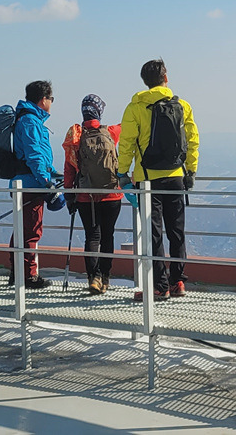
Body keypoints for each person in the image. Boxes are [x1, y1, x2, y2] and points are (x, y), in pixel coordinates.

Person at [116, 59, 199, 300]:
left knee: (154, 234)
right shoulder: (182, 105)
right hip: (176, 176)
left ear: (144, 81)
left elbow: (127, 143)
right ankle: (178, 282)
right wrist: (190, 171)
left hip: (148, 179)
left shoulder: (135, 107)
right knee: (177, 232)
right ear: (166, 77)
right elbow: (192, 140)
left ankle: (159, 287)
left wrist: (122, 173)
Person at [62, 94, 123, 294]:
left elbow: (69, 168)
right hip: (111, 195)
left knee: (92, 236)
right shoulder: (111, 132)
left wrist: (69, 194)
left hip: (85, 196)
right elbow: (127, 126)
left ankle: (93, 279)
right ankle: (105, 277)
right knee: (108, 236)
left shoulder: (76, 136)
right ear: (99, 112)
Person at [11, 80, 64, 289]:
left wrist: (52, 172)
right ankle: (28, 276)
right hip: (31, 185)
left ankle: (17, 273)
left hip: (24, 182)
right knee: (31, 231)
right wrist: (45, 181)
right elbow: (34, 155)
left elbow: (38, 156)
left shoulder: (26, 118)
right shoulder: (30, 121)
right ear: (43, 100)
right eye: (51, 99)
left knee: (22, 229)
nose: (51, 102)